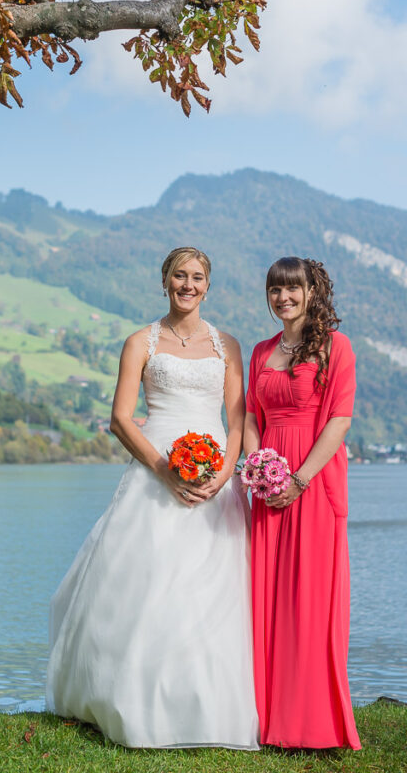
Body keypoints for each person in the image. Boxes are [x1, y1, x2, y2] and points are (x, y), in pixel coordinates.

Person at [46, 247, 259, 750]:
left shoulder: (228, 344)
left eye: (198, 277)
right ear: (164, 281)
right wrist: (165, 470)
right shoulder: (140, 341)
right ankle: (134, 703)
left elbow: (236, 419)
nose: (189, 284)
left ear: (209, 285)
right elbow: (121, 418)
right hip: (155, 469)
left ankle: (209, 707)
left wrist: (225, 472)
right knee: (149, 581)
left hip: (215, 477)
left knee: (214, 590)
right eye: (180, 276)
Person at [244, 256, 361, 750]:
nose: (282, 298)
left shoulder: (337, 347)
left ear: (312, 293)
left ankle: (311, 724)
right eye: (275, 289)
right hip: (269, 489)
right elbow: (251, 415)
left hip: (313, 482)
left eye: (292, 289)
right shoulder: (260, 351)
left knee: (308, 603)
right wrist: (258, 471)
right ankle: (265, 720)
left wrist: (299, 479)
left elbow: (339, 419)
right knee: (264, 601)